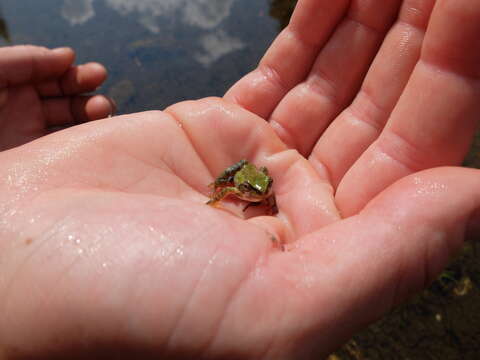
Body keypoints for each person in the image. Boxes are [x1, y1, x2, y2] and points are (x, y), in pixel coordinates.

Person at [0, 0, 479, 358]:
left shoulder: (262, 187)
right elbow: (233, 179)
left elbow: (260, 186)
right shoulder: (238, 185)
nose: (254, 194)